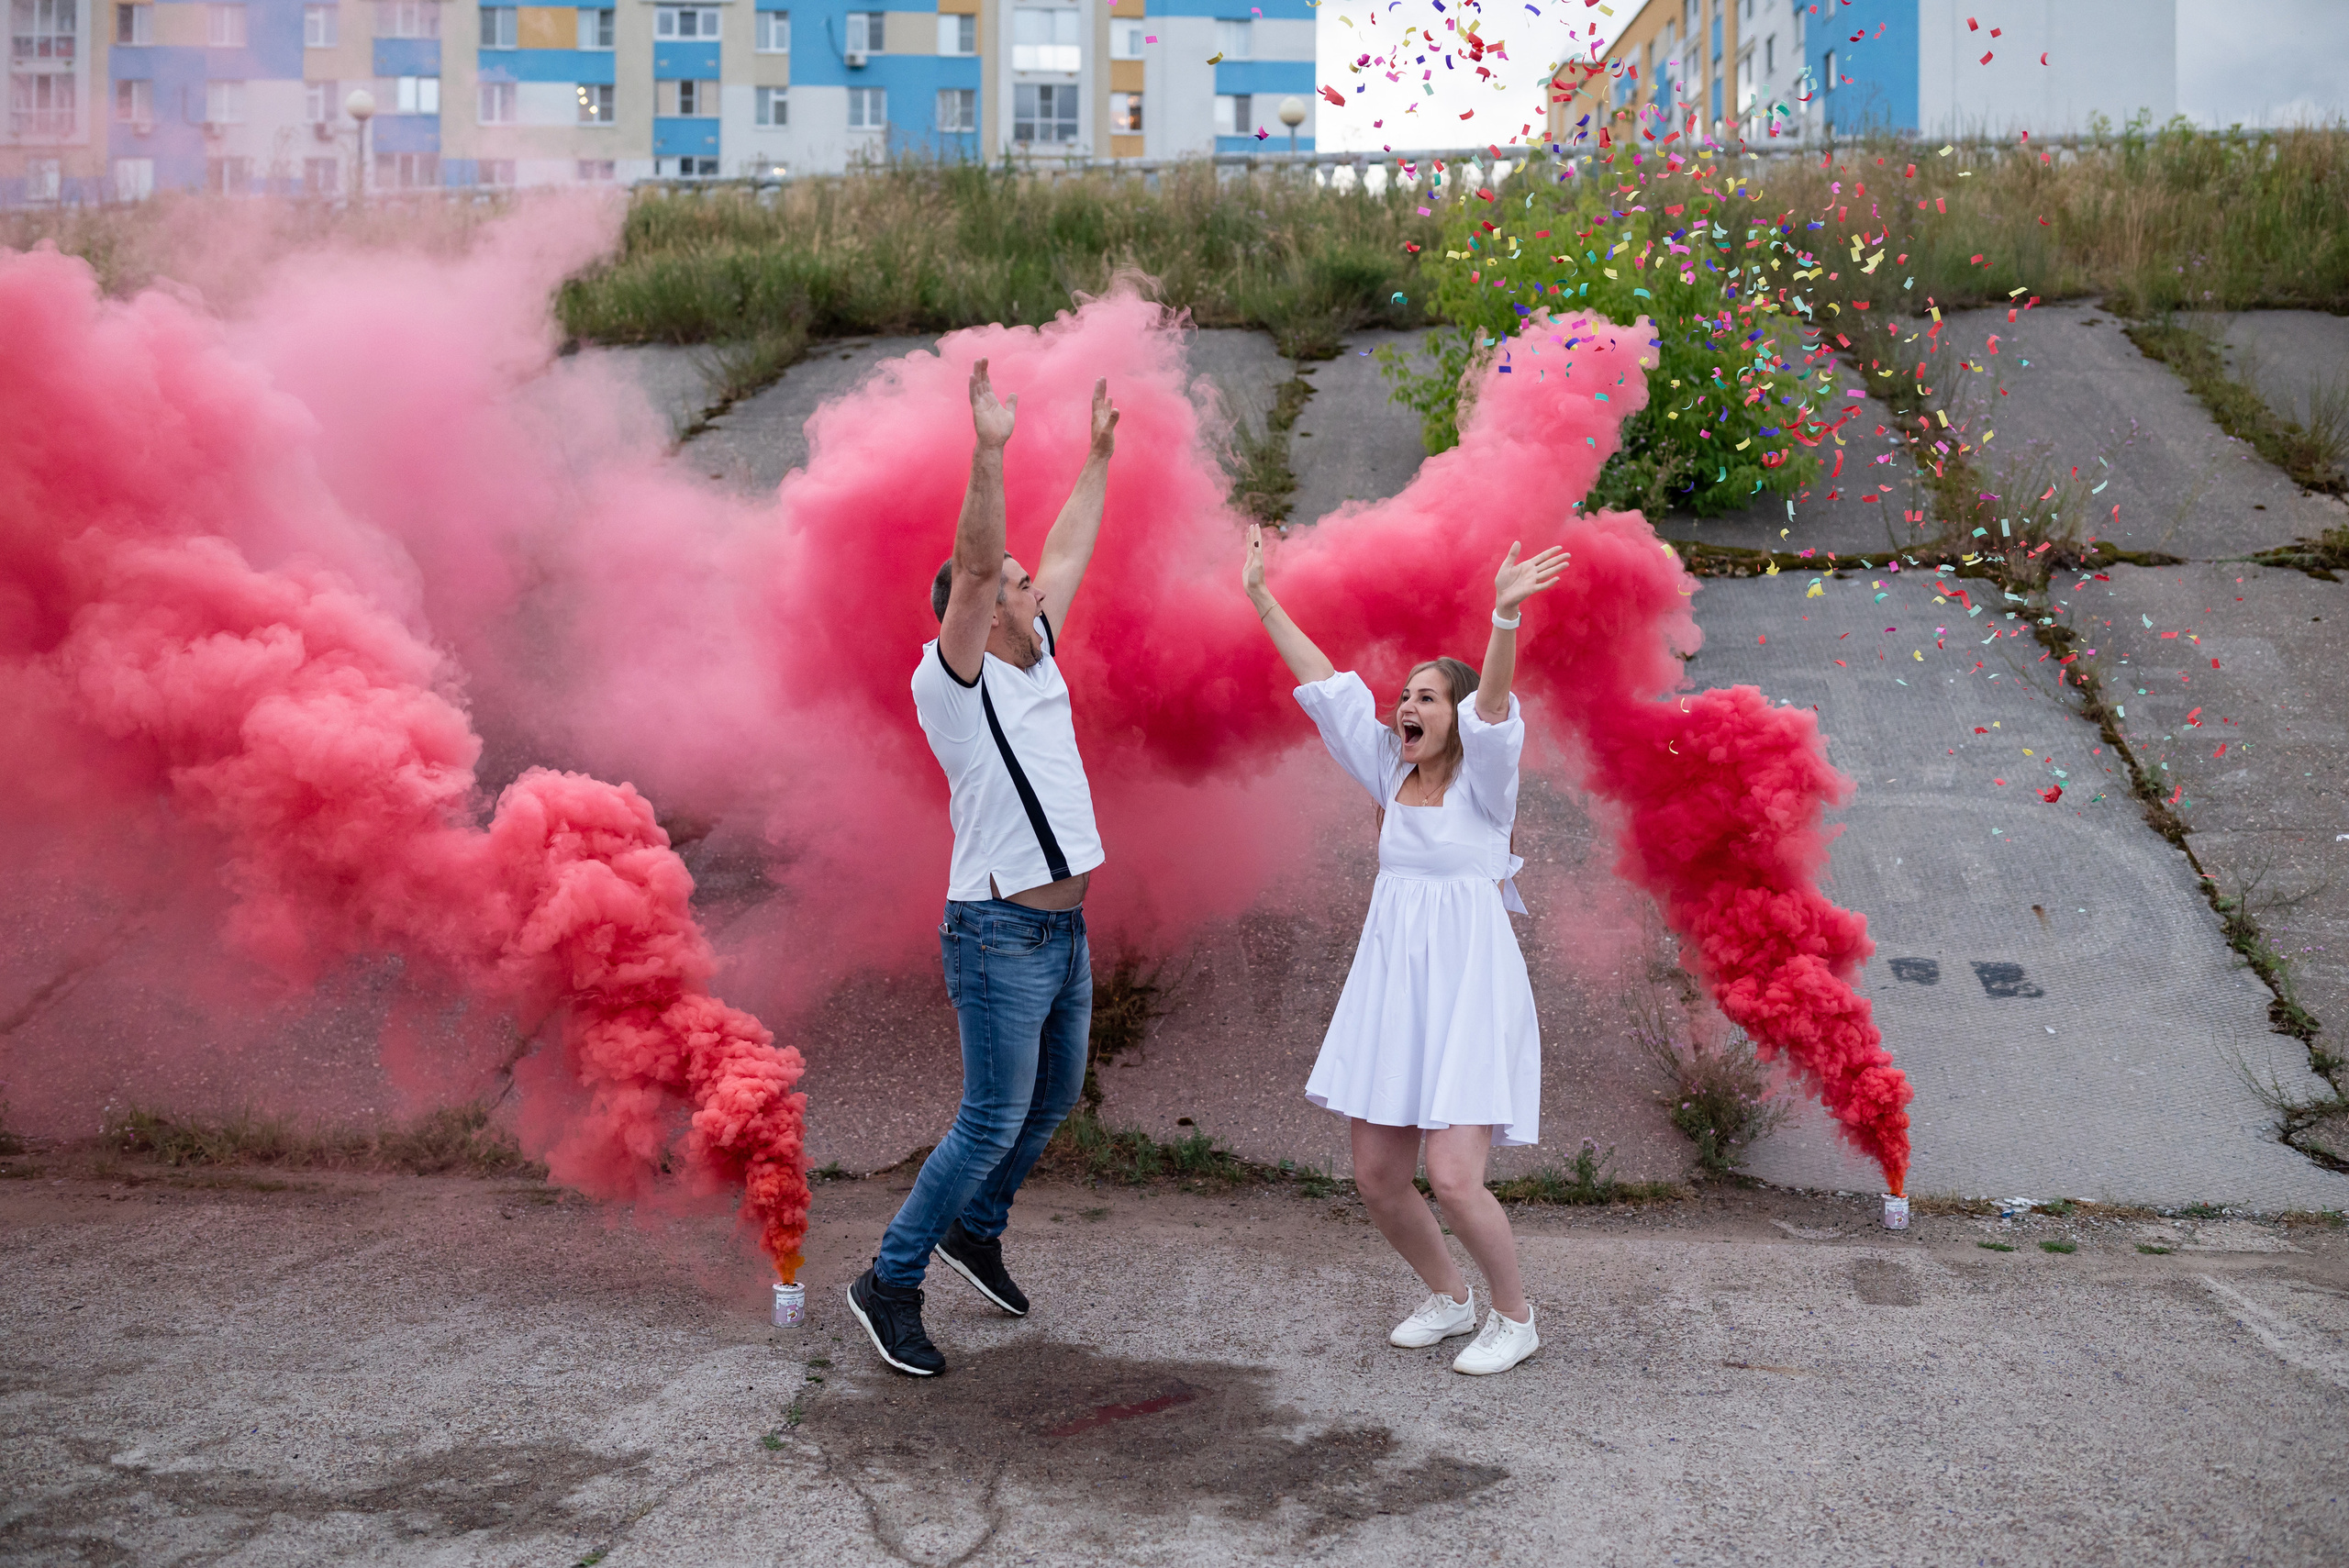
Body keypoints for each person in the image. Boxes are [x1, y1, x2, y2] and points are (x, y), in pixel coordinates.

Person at [1241, 523, 1568, 1376]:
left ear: (1454, 715)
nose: (1407, 706)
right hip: (1396, 989)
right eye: (1407, 695)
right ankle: (1448, 1297)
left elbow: (1495, 711)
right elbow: (1327, 685)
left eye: (1428, 697)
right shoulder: (1388, 769)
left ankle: (1514, 1316)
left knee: (1455, 1177)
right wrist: (1263, 600)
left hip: (1469, 991)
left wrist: (1501, 620)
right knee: (1378, 1175)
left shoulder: (1485, 786)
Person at [847, 361, 1119, 1377]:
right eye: (1011, 583)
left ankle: (976, 1230)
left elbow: (1065, 546)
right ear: (976, 609)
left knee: (1049, 1102)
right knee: (989, 1116)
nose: (1027, 583)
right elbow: (975, 567)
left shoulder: (1034, 651)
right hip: (999, 928)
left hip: (1061, 932)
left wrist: (1095, 457)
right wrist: (992, 450)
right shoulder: (951, 683)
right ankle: (890, 1278)